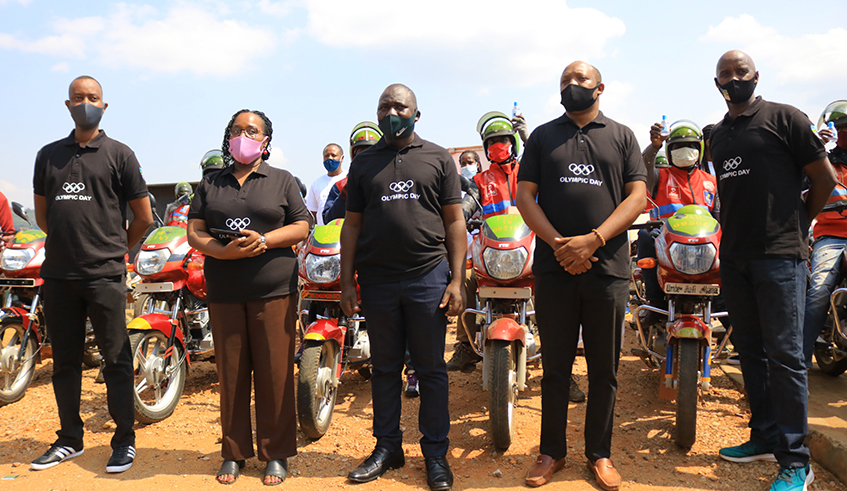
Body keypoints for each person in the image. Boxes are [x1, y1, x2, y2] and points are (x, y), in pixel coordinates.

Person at [516, 61, 646, 491]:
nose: (572, 86)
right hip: (555, 270)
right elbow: (525, 196)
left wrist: (593, 240)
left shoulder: (622, 136)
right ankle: (550, 451)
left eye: (581, 80)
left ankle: (600, 453)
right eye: (565, 81)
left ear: (600, 88)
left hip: (607, 269)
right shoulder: (542, 137)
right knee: (555, 366)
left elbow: (637, 197)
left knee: (604, 367)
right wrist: (559, 244)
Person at [710, 50, 835, 491]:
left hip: (781, 255)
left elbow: (825, 180)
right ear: (716, 81)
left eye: (739, 72)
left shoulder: (786, 119)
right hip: (736, 257)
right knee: (751, 352)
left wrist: (800, 222)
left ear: (755, 77)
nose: (732, 79)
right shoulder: (719, 135)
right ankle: (763, 436)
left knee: (786, 357)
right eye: (724, 74)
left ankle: (797, 461)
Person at [340, 84, 465, 491]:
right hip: (377, 280)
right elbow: (352, 225)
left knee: (430, 370)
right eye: (384, 107)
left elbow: (454, 222)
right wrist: (346, 282)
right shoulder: (363, 165)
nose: (391, 112)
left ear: (416, 113)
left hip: (427, 276)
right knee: (386, 369)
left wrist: (457, 280)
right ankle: (388, 447)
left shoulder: (438, 158)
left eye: (400, 106)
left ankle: (435, 455)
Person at [30, 75, 153, 473]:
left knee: (116, 359)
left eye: (93, 97)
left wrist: (114, 249)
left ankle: (124, 440)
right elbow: (45, 214)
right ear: (68, 105)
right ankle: (70, 439)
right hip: (60, 276)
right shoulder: (48, 155)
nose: (86, 102)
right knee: (65, 362)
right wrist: (70, 244)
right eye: (79, 97)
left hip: (105, 275)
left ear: (104, 105)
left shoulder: (120, 154)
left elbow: (143, 217)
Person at [187, 109, 311, 485]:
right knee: (232, 373)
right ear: (228, 138)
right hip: (224, 291)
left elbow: (303, 225)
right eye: (237, 130)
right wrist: (222, 252)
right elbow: (195, 229)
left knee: (275, 373)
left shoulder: (282, 180)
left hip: (273, 290)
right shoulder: (211, 183)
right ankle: (234, 452)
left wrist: (266, 240)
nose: (244, 135)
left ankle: (276, 454)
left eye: (252, 131)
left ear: (266, 141)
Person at [637, 120, 717, 319]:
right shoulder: (659, 177)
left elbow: (718, 217)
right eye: (678, 147)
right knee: (644, 236)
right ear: (669, 150)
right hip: (665, 240)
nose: (685, 151)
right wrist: (655, 146)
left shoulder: (711, 182)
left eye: (691, 146)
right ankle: (654, 301)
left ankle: (721, 310)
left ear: (700, 150)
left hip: (702, 245)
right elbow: (643, 167)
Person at [803, 100, 847, 368]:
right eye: (842, 128)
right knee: (819, 290)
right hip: (831, 237)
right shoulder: (824, 163)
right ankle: (800, 360)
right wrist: (816, 148)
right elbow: (801, 185)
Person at [307, 143, 347, 227]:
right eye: (326, 156)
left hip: (344, 233)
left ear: (342, 158)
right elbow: (312, 215)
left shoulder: (349, 178)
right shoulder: (316, 183)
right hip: (323, 236)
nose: (330, 158)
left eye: (333, 155)